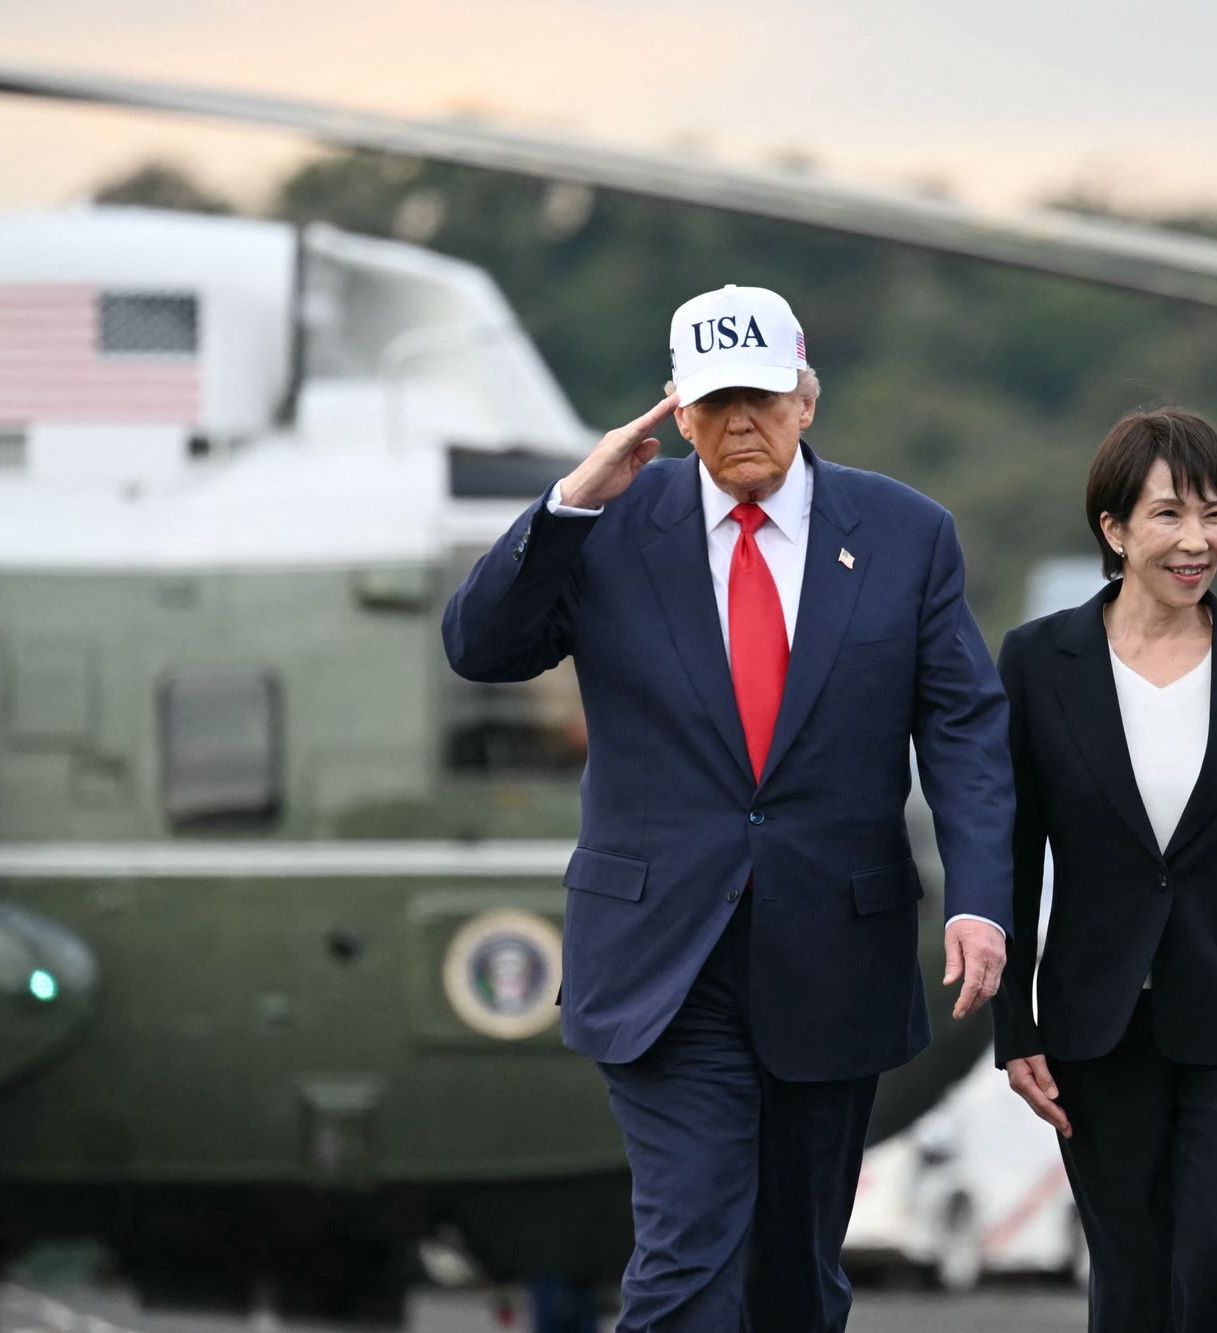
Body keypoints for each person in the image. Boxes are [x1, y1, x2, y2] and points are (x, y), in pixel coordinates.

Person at [443, 284, 1012, 1332]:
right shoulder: (607, 527)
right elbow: (479, 648)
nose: (738, 422)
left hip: (832, 951)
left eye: (759, 396)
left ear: (806, 398)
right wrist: (567, 503)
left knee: (795, 1280)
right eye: (712, 402)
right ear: (675, 408)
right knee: (688, 1253)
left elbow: (964, 729)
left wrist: (980, 899)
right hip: (665, 957)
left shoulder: (902, 533)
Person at [991, 407, 1217, 1332]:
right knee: (1132, 1268)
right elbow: (1015, 851)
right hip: (1094, 1021)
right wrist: (1012, 1022)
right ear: (1114, 529)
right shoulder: (1039, 661)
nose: (1198, 541)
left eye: (1215, 514)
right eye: (1169, 516)